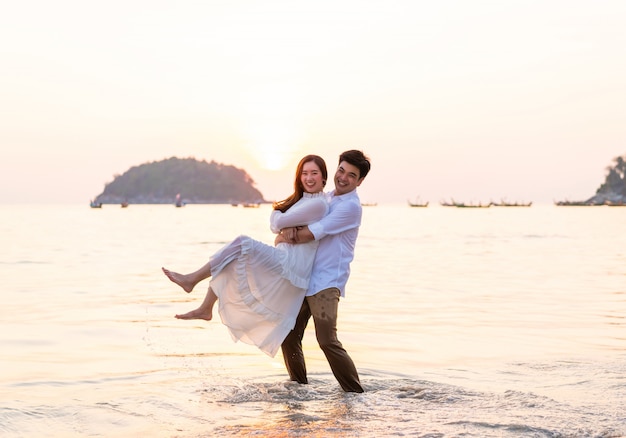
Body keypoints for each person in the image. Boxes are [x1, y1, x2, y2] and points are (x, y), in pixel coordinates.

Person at [162, 154, 329, 357]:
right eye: (304, 173)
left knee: (241, 242)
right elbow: (275, 219)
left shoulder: (319, 204)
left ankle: (192, 279)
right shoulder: (302, 201)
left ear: (323, 178)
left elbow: (277, 222)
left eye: (314, 173)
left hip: (292, 265)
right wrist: (284, 229)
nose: (309, 178)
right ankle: (206, 308)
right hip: (283, 256)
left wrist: (284, 227)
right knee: (231, 261)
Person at [277, 149, 371, 393]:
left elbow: (310, 232)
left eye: (352, 175)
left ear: (360, 181)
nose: (343, 177)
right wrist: (288, 228)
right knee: (288, 334)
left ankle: (355, 393)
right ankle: (299, 389)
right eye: (341, 170)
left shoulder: (351, 207)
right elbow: (298, 220)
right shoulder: (327, 198)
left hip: (327, 284)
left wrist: (289, 231)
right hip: (305, 279)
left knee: (327, 341)